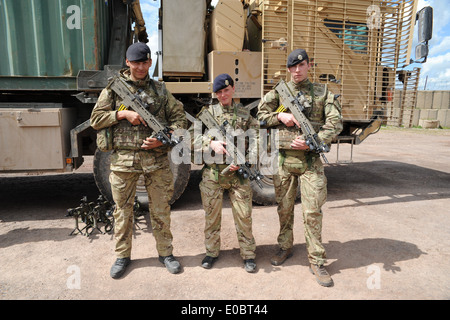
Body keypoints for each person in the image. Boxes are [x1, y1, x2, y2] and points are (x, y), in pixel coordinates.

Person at [90, 42, 187, 278]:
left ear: (150, 63)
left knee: (161, 209)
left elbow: (180, 121)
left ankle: (166, 254)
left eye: (144, 62)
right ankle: (122, 256)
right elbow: (96, 119)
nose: (140, 67)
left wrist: (163, 141)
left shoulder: (161, 91)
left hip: (157, 162)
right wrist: (123, 113)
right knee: (123, 211)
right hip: (124, 162)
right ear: (127, 62)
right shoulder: (114, 90)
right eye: (136, 63)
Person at [257, 49, 343, 286]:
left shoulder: (323, 93)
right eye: (292, 67)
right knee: (284, 209)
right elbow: (259, 116)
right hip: (284, 161)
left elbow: (335, 124)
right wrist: (279, 117)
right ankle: (285, 247)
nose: (297, 71)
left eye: (301, 65)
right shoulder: (279, 92)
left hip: (310, 162)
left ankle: (316, 260)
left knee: (312, 211)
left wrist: (313, 141)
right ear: (288, 69)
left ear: (309, 65)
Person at [192, 73, 259, 273]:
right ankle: (211, 253)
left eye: (226, 90)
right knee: (211, 217)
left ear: (233, 89)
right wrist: (209, 143)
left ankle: (248, 255)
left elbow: (257, 138)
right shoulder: (207, 114)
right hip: (213, 174)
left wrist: (247, 160)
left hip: (238, 174)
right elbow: (190, 137)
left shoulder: (244, 114)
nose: (223, 95)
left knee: (244, 216)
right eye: (219, 92)